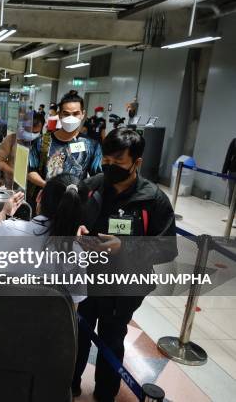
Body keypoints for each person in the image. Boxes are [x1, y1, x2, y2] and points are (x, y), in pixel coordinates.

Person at [71, 128, 177, 402]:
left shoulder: (153, 200)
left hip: (123, 288)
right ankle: (70, 385)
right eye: (106, 160)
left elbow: (167, 248)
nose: (110, 166)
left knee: (112, 339)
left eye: (118, 162)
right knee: (78, 335)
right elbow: (69, 221)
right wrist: (76, 230)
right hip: (85, 278)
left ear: (137, 162)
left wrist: (125, 247)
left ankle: (106, 393)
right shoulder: (92, 186)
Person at [0, 173, 89, 304]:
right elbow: (70, 313)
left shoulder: (7, 229)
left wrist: (4, 213)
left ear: (39, 197)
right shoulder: (77, 253)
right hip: (47, 323)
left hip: (0, 320)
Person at [28, 91, 102, 195]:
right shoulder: (42, 141)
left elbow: (98, 176)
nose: (71, 118)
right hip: (46, 200)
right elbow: (30, 170)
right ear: (59, 115)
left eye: (76, 113)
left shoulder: (92, 145)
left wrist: (81, 189)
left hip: (76, 202)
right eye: (66, 114)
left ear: (83, 114)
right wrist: (47, 185)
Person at [0, 112, 44, 189]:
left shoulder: (43, 143)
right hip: (13, 184)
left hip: (36, 188)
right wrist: (16, 173)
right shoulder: (11, 139)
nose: (31, 134)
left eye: (35, 132)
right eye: (28, 131)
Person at [222, 137, 236, 207]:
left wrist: (224, 171)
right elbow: (228, 156)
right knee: (231, 192)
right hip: (233, 171)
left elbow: (228, 156)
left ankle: (232, 214)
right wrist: (224, 171)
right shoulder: (235, 141)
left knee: (232, 192)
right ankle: (231, 214)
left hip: (233, 170)